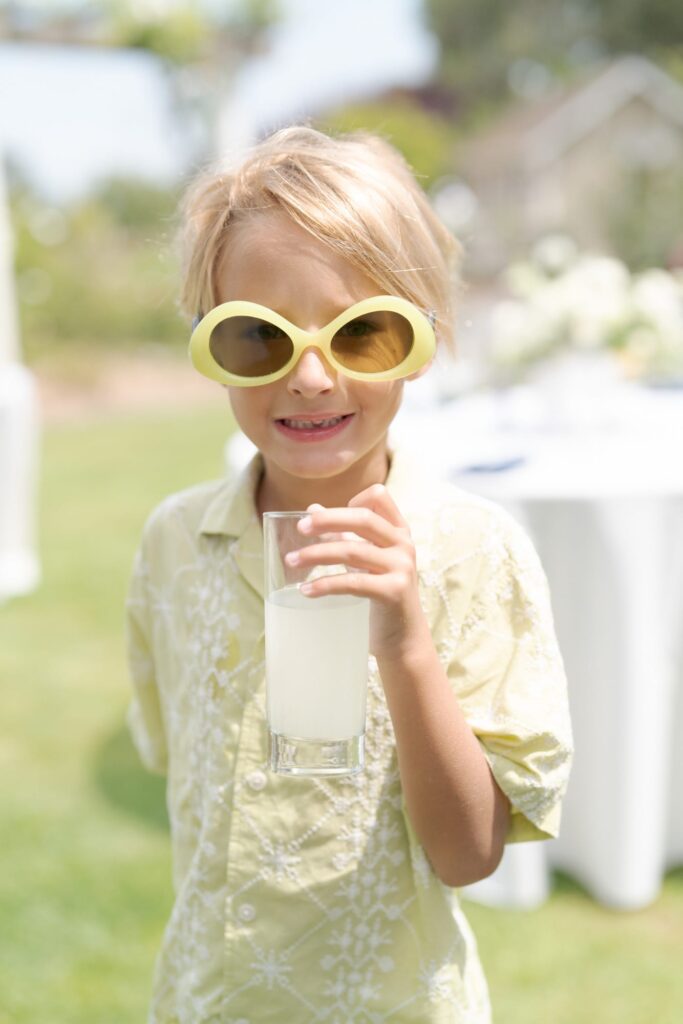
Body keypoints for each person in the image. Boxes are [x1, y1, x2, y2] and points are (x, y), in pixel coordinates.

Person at [126, 125, 573, 1023]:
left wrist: (405, 643)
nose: (312, 375)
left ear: (424, 339)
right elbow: (182, 768)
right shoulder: (174, 544)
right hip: (207, 1002)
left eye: (362, 332)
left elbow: (468, 856)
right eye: (257, 336)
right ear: (207, 340)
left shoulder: (474, 551)